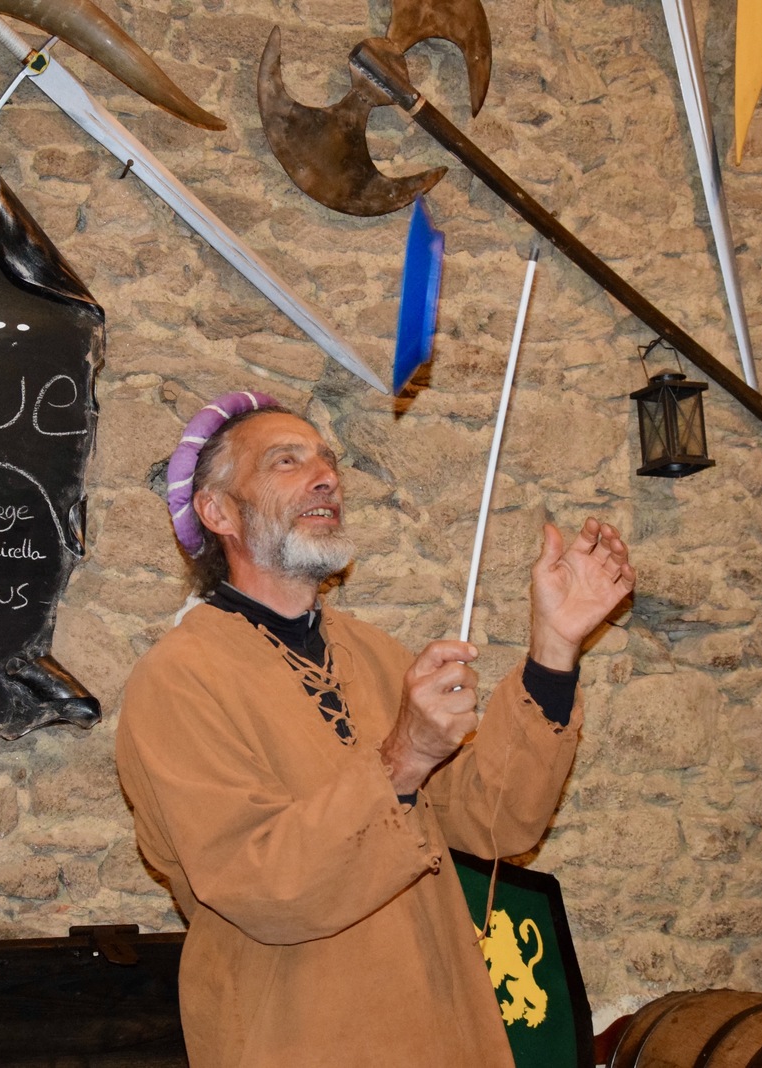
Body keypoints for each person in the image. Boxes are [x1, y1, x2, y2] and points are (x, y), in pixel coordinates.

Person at [114, 390, 632, 1067]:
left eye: (327, 460)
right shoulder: (179, 679)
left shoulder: (375, 654)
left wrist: (554, 650)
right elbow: (261, 885)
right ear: (218, 512)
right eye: (286, 461)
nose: (326, 476)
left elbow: (496, 822)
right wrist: (404, 756)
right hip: (299, 1046)